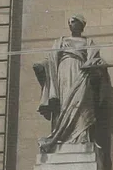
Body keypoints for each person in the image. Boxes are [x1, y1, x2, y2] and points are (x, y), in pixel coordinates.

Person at [34, 14, 108, 148]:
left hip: (82, 74)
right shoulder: (60, 41)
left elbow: (96, 60)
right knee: (64, 104)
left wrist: (96, 65)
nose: (71, 24)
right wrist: (41, 66)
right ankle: (61, 137)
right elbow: (50, 59)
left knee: (81, 104)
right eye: (70, 22)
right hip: (63, 74)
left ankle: (82, 136)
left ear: (81, 24)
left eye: (74, 21)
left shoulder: (88, 42)